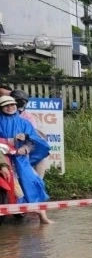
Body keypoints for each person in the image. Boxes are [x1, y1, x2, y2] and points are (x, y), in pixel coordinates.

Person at [0, 94, 51, 224]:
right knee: (16, 189)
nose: (10, 107)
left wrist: (26, 147)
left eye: (12, 104)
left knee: (34, 183)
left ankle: (43, 218)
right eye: (6, 105)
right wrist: (11, 140)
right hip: (5, 159)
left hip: (22, 160)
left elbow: (33, 140)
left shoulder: (24, 122)